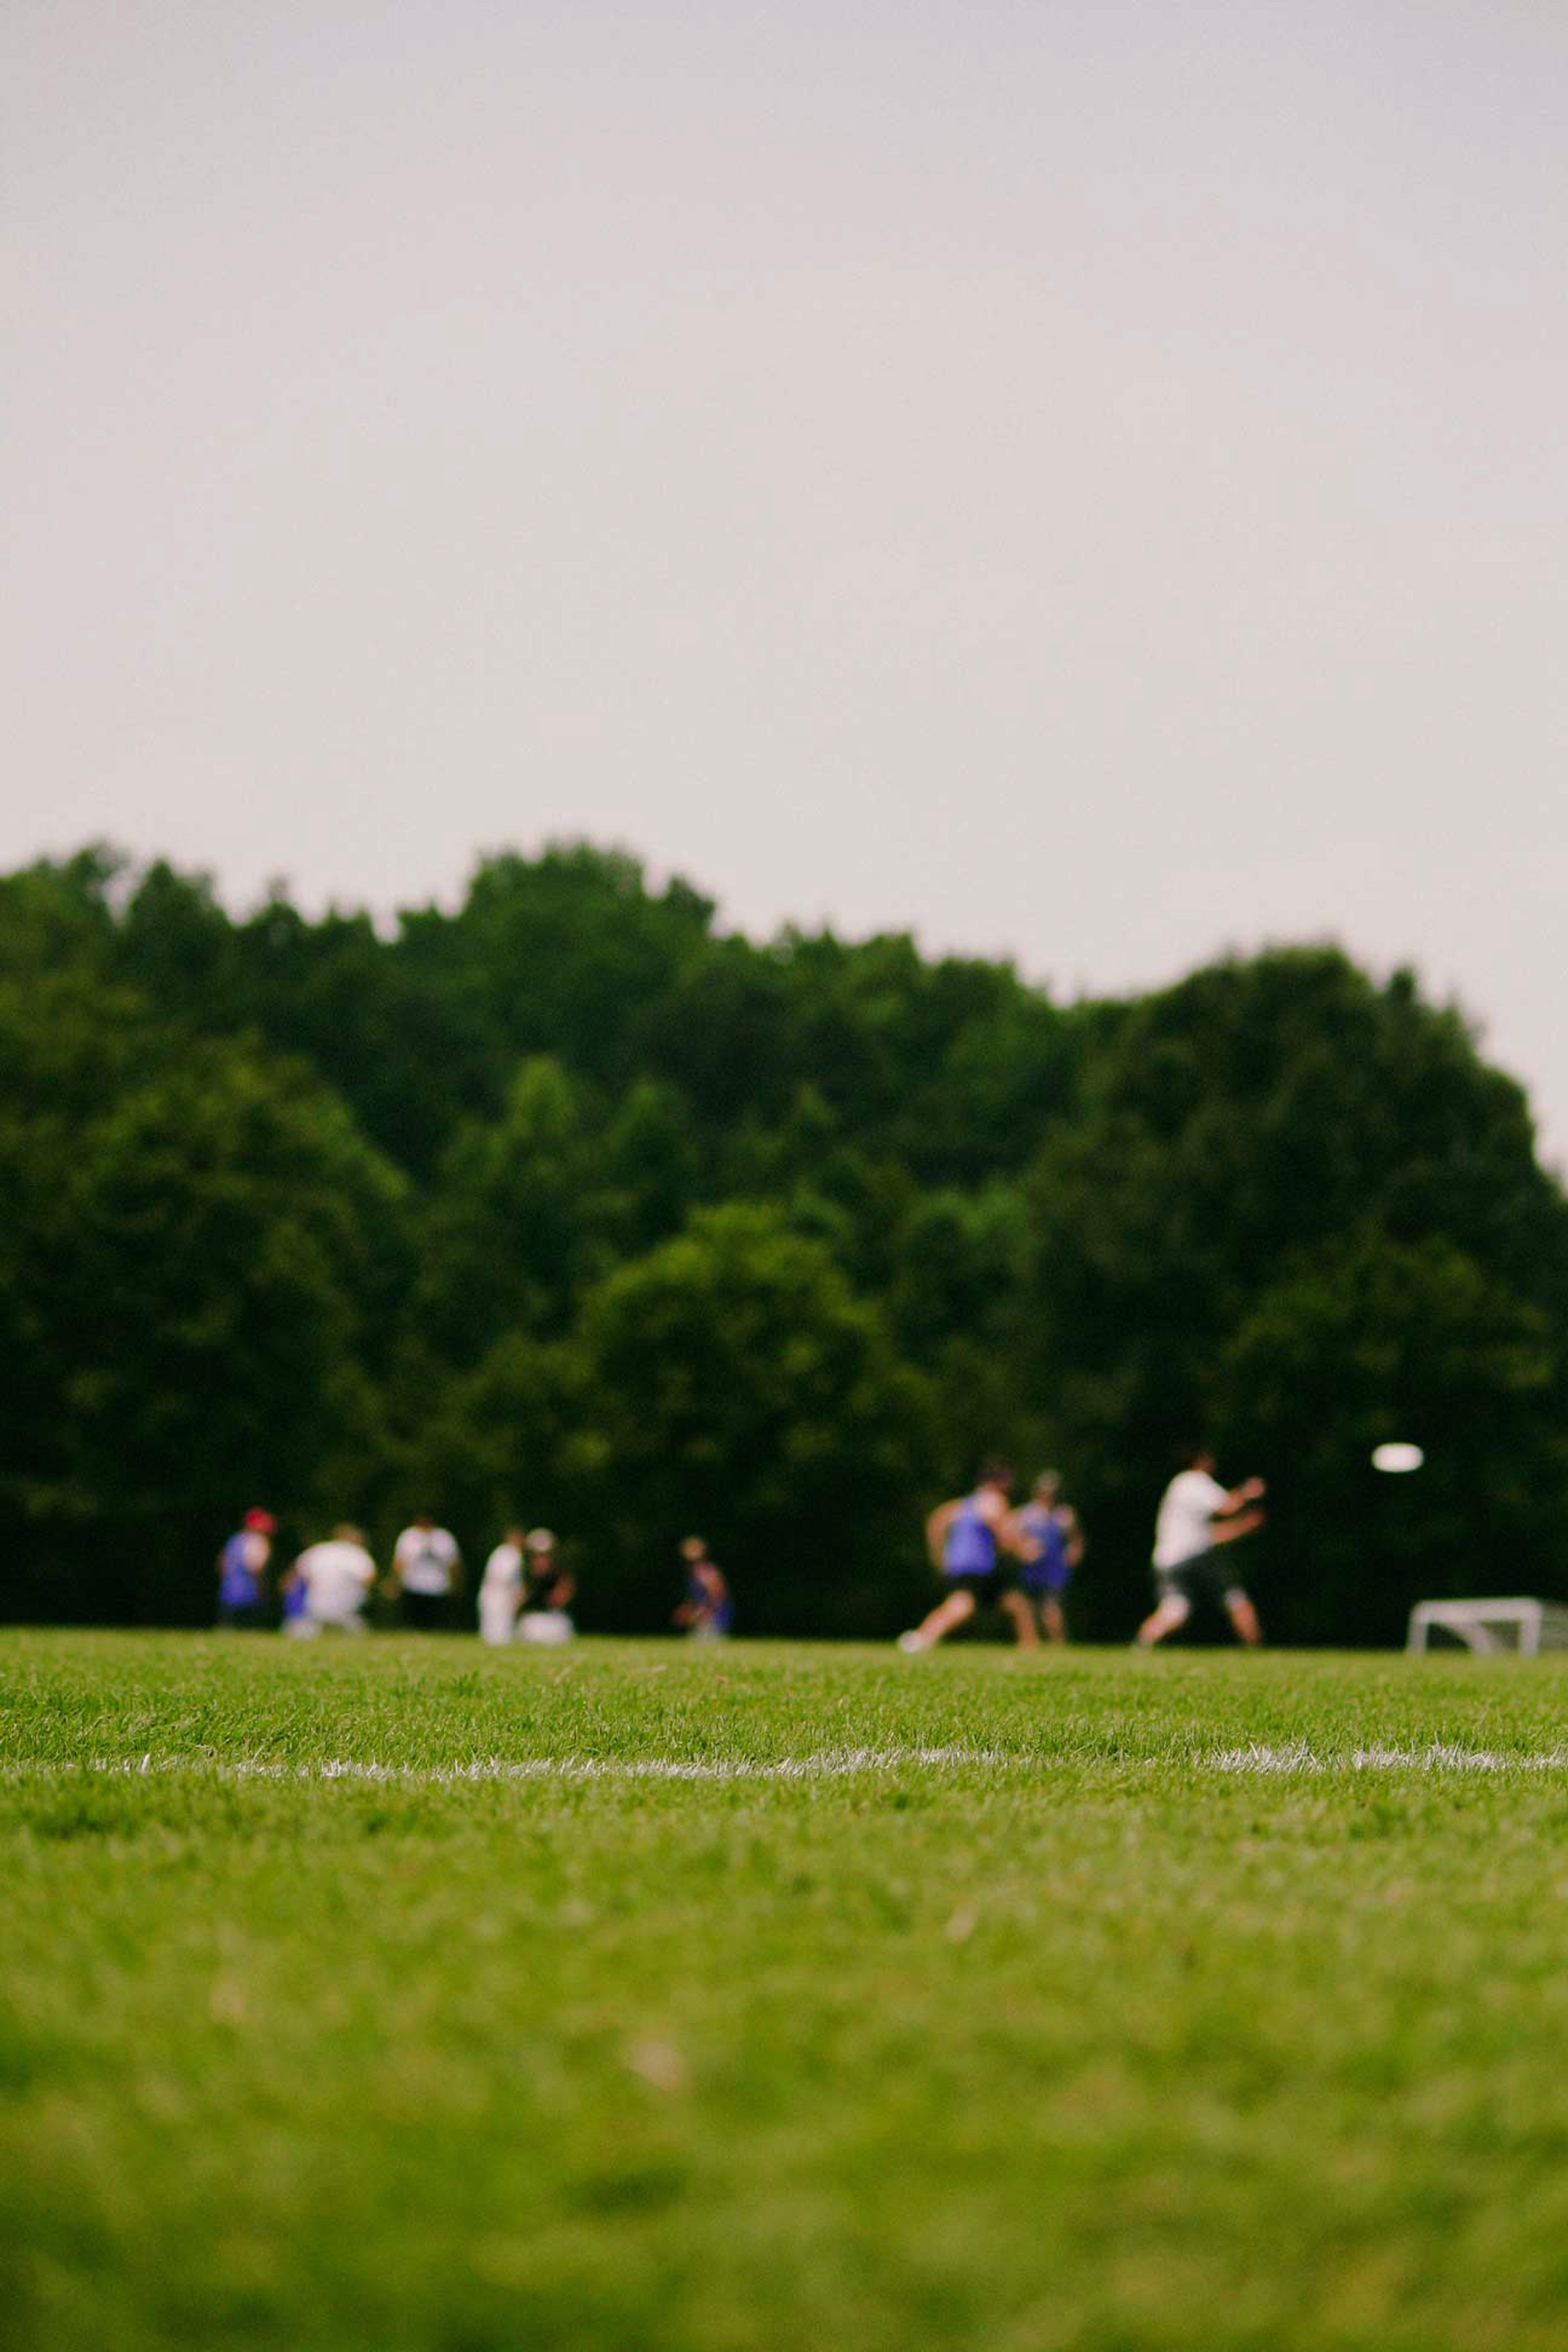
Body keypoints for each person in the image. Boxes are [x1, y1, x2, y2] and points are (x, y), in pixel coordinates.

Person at [898, 1458, 1036, 1651]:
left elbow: (936, 1522)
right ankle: (921, 1639)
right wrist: (1023, 1550)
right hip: (977, 1565)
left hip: (961, 1564)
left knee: (1016, 1604)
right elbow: (1003, 1535)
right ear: (1001, 1481)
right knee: (962, 1606)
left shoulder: (963, 1504)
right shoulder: (994, 1500)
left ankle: (1030, 1649)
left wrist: (939, 1555)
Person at [1137, 1448, 1267, 1647]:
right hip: (1191, 1558)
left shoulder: (1179, 1487)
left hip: (1170, 1560)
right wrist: (1249, 1491)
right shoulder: (1193, 1481)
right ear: (1201, 1461)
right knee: (1237, 1600)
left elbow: (1211, 1536)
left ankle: (1141, 1645)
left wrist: (1243, 1526)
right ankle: (1256, 1650)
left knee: (1176, 1612)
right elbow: (1228, 1506)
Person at [1009, 1471, 1084, 1646]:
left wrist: (1073, 1554)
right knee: (1027, 1608)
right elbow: (1011, 1535)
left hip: (1054, 1569)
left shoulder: (1065, 1515)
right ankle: (1029, 1643)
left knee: (1052, 1608)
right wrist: (1023, 1549)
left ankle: (1058, 1644)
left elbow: (1076, 1541)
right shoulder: (1026, 1514)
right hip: (1031, 1569)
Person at [291, 1525, 376, 1635]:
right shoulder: (356, 1553)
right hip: (347, 1605)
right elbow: (368, 1578)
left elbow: (299, 1573)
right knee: (352, 1624)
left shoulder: (319, 1550)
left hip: (316, 1603)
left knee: (310, 1625)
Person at [387, 1512, 463, 1631]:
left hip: (438, 1586)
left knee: (435, 1624)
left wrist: (456, 1583)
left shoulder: (443, 1538)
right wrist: (395, 1581)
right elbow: (400, 1562)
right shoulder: (409, 1536)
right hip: (413, 1585)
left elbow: (453, 1564)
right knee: (413, 1622)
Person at [215, 1508, 276, 1629]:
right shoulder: (259, 1541)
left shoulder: (235, 1539)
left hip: (229, 1592)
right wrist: (262, 1586)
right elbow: (255, 1567)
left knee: (227, 1628)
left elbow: (222, 1564)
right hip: (250, 1593)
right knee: (251, 1629)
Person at [517, 1529, 576, 1644]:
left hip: (554, 1619)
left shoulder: (559, 1574)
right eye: (537, 1555)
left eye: (545, 1555)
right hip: (532, 1620)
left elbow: (562, 1595)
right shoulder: (524, 1574)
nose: (541, 1560)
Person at [673, 1536, 733, 1640]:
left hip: (714, 1617)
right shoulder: (693, 1574)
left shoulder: (706, 1573)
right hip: (703, 1616)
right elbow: (697, 1599)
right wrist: (688, 1610)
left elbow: (717, 1596)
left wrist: (704, 1612)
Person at [477, 1525, 527, 1646]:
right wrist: (517, 1594)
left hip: (493, 1594)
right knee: (499, 1631)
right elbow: (504, 1578)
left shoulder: (500, 1552)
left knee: (496, 1630)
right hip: (500, 1595)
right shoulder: (511, 1554)